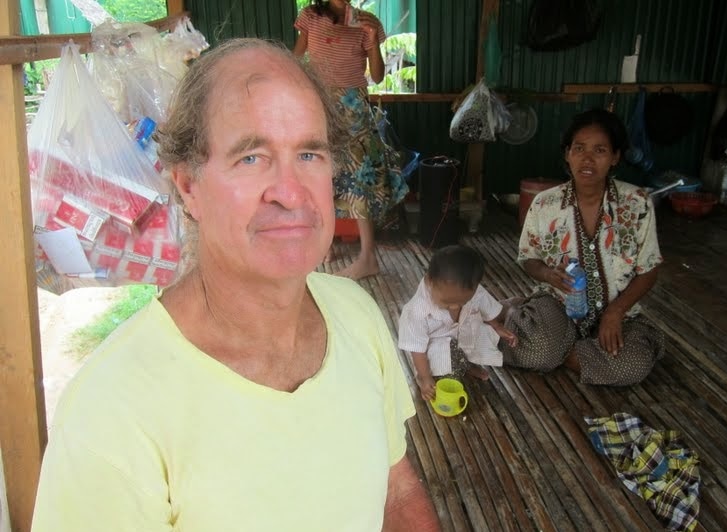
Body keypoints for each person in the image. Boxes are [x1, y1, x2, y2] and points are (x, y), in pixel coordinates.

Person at [31, 39, 440, 532]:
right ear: (187, 186)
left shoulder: (357, 315)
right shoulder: (111, 413)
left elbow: (395, 493)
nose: (291, 193)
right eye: (251, 158)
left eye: (309, 153)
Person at [505, 108, 665, 386]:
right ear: (568, 154)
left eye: (600, 150)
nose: (587, 158)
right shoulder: (545, 204)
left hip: (619, 312)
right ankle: (554, 343)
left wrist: (615, 312)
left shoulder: (637, 203)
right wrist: (548, 275)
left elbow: (648, 270)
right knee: (539, 351)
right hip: (558, 304)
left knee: (632, 365)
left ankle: (553, 350)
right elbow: (528, 258)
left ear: (615, 157)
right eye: (579, 148)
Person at [293, 0, 407, 280]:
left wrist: (371, 41)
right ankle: (324, 244)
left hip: (354, 106)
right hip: (319, 104)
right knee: (319, 173)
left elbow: (378, 76)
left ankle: (368, 257)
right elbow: (295, 60)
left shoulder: (368, 22)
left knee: (360, 177)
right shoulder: (310, 16)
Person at [398, 245, 518, 401]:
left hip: (462, 332)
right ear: (429, 281)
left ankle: (466, 365)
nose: (455, 306)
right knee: (445, 372)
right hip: (434, 345)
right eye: (447, 302)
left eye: (464, 301)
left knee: (484, 335)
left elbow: (484, 304)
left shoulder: (469, 289)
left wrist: (497, 326)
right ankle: (424, 377)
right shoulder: (415, 311)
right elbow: (417, 350)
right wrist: (425, 376)